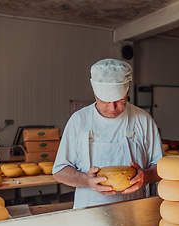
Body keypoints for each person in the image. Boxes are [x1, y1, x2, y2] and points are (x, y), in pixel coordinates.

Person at [52, 58, 164, 209]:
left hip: (135, 211)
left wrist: (145, 176)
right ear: (94, 91)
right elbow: (59, 171)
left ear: (127, 89)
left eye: (120, 100)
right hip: (89, 211)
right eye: (105, 101)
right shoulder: (79, 120)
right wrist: (87, 180)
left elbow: (161, 168)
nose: (112, 108)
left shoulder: (143, 119)